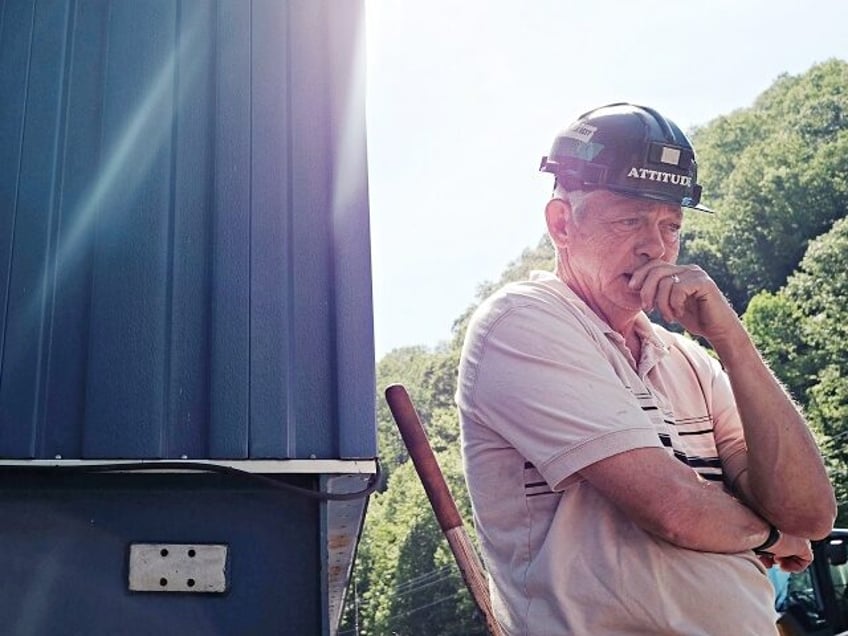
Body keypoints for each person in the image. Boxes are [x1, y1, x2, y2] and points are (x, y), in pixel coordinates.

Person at [455, 103, 836, 635]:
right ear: (562, 223)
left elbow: (810, 516)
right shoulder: (522, 321)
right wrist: (771, 537)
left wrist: (732, 340)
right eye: (629, 219)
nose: (655, 246)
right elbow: (675, 509)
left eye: (671, 225)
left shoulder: (690, 361)